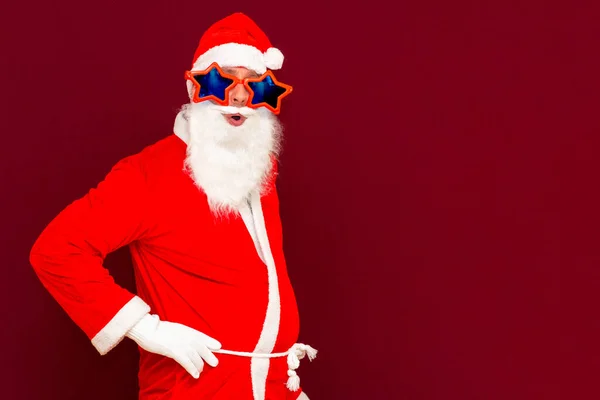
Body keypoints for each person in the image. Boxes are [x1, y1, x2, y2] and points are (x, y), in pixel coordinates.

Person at [29, 12, 316, 400]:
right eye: (223, 80)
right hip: (195, 390)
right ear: (192, 86)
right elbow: (57, 250)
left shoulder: (261, 167)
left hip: (271, 386)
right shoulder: (148, 174)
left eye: (256, 85)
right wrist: (147, 330)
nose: (239, 97)